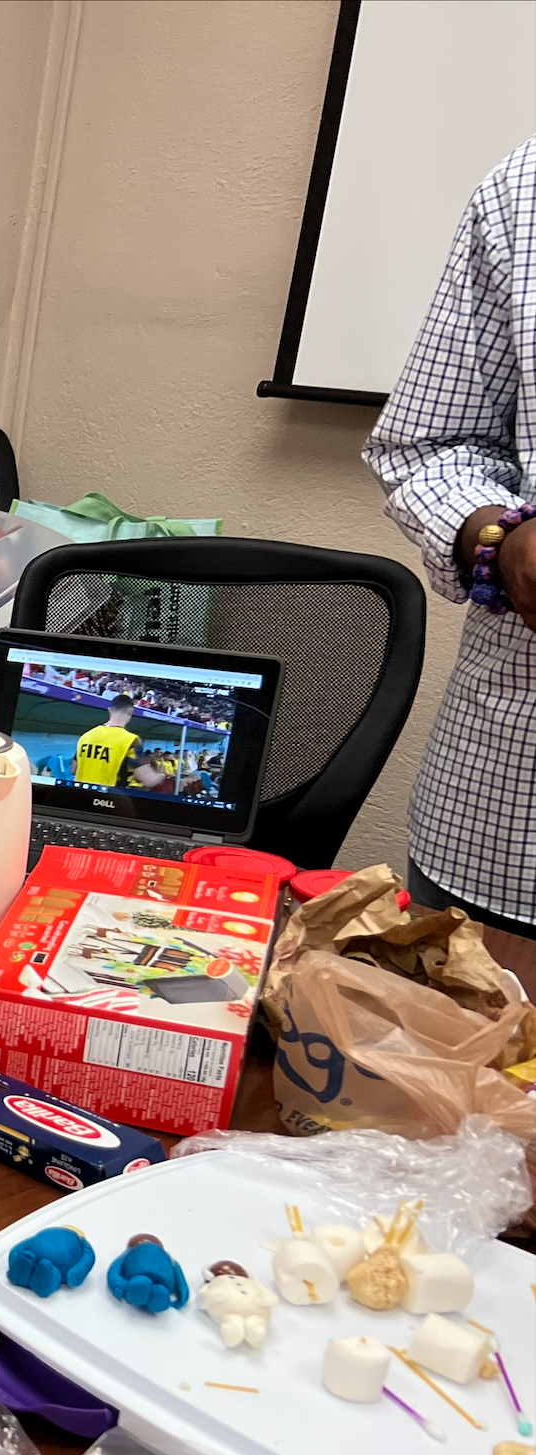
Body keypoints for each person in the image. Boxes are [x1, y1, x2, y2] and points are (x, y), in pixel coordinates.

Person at [367, 135, 536, 940]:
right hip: (510, 824)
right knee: (455, 1061)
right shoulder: (526, 189)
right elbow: (429, 445)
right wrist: (499, 539)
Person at [73, 695, 145, 788]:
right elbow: (147, 779)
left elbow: (74, 770)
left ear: (109, 710)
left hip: (80, 793)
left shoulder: (86, 736)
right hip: (107, 797)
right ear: (130, 712)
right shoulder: (131, 740)